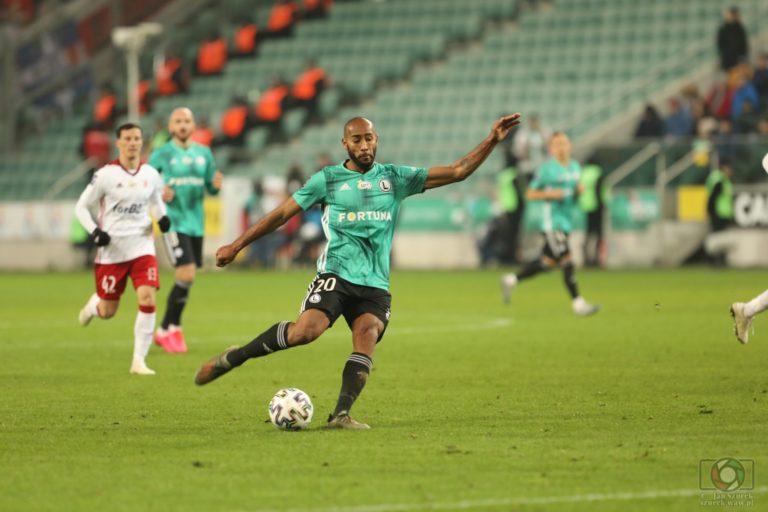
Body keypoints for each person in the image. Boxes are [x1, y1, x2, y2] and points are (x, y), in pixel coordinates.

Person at [194, 113, 522, 429]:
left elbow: (458, 170)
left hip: (375, 282)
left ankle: (340, 414)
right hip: (336, 274)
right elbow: (281, 214)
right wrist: (237, 245)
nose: (364, 145)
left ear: (376, 140)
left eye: (369, 139)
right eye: (356, 140)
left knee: (367, 335)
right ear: (345, 144)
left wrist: (492, 140)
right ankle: (236, 356)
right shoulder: (327, 180)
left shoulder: (394, 178)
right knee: (305, 332)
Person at [74, 123, 171, 375]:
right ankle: (94, 306)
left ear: (142, 142)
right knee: (108, 311)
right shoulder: (105, 175)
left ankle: (139, 360)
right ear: (118, 143)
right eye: (127, 138)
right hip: (112, 251)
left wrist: (162, 217)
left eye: (136, 138)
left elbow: (155, 201)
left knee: (148, 298)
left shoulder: (150, 173)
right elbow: (81, 207)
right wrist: (95, 232)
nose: (132, 143)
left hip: (142, 247)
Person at [500, 132, 599, 316]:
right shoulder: (546, 170)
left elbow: (573, 194)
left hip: (566, 221)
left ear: (569, 145)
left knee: (547, 263)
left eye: (564, 143)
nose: (561, 147)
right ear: (551, 149)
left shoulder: (575, 167)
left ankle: (511, 279)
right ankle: (578, 304)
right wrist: (552, 194)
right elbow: (530, 194)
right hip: (552, 223)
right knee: (567, 260)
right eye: (557, 144)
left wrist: (578, 191)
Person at [149, 108, 224, 353]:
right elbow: (145, 183)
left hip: (195, 223)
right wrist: (159, 191)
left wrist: (215, 185)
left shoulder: (204, 153)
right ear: (171, 127)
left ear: (193, 126)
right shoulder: (161, 154)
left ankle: (166, 329)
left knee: (187, 277)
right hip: (173, 221)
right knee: (187, 273)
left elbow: (211, 187)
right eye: (178, 121)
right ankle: (171, 328)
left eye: (186, 121)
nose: (182, 125)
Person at [497, 152, 525, 264]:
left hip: (506, 206)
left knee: (507, 234)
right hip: (515, 207)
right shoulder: (514, 174)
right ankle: (512, 257)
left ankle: (506, 256)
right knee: (514, 234)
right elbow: (518, 192)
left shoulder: (502, 175)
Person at [579, 157, 607, 268]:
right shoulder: (598, 173)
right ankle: (597, 258)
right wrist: (602, 204)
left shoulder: (584, 173)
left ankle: (586, 257)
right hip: (597, 206)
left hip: (586, 206)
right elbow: (598, 190)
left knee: (588, 233)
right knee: (599, 233)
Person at [717, 6, 748, 72]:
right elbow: (720, 44)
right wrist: (724, 55)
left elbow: (743, 44)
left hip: (738, 60)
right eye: (731, 15)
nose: (733, 17)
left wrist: (742, 58)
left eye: (734, 15)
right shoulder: (723, 28)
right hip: (727, 59)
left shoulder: (740, 28)